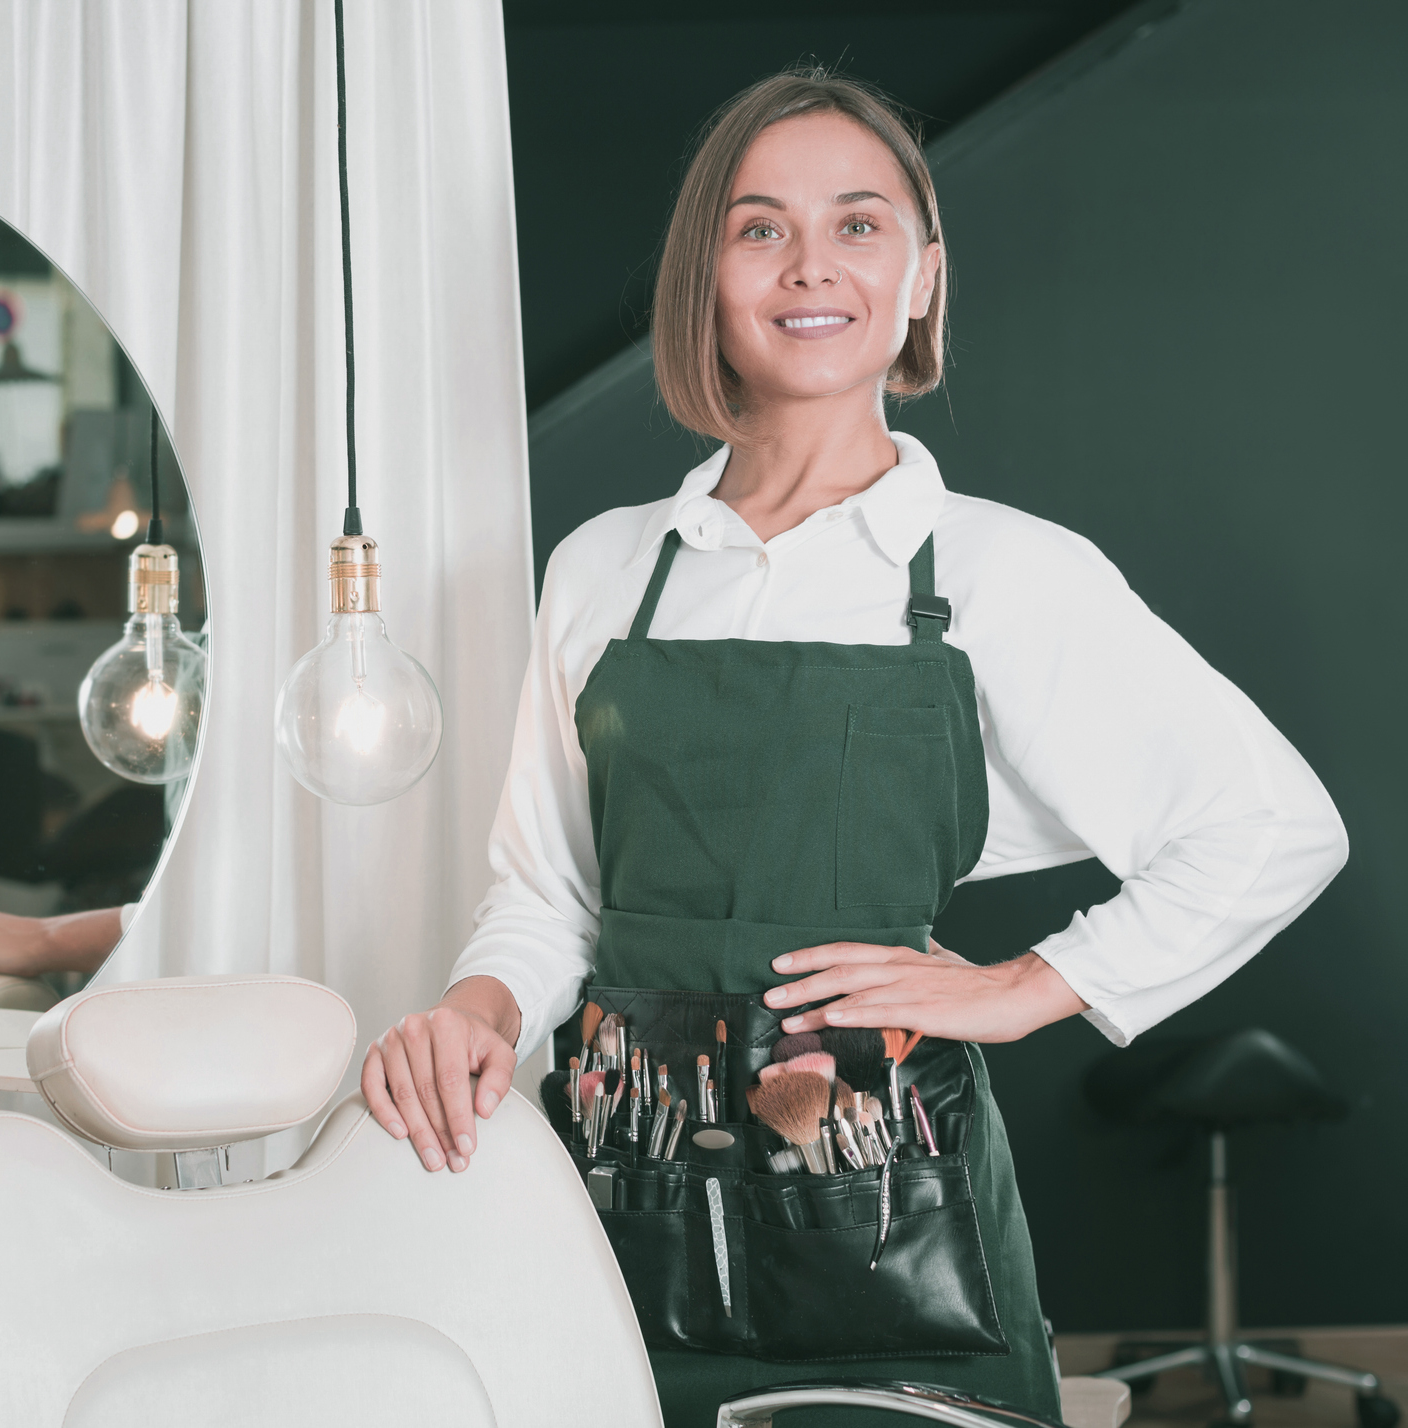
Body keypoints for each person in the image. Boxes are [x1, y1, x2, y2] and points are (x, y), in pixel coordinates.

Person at [360, 69, 1345, 1424]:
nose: (810, 265)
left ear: (924, 276)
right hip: (619, 1184)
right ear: (705, 275)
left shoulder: (1008, 575)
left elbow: (1272, 827)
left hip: (889, 1189)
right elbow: (551, 897)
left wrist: (1021, 987)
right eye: (760, 227)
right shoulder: (603, 570)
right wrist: (473, 1012)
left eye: (860, 225)